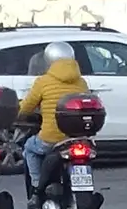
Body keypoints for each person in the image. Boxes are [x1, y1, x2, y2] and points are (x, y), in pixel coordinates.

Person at [15, 42, 92, 201]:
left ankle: (36, 186)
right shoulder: (81, 82)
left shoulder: (43, 82)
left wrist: (15, 111)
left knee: (30, 149)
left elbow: (26, 108)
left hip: (51, 138)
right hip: (78, 138)